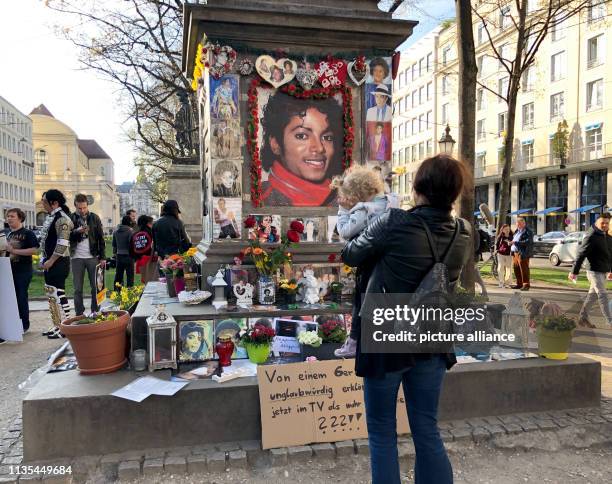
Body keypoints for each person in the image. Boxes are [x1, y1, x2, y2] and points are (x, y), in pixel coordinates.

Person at [341, 154, 471, 484]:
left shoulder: (395, 222)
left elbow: (351, 254)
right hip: (433, 335)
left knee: (382, 431)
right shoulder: (464, 232)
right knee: (427, 427)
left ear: (417, 188)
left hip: (387, 335)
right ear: (455, 193)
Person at [330, 165, 395, 358]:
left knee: (360, 302)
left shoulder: (364, 209)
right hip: (390, 262)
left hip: (369, 263)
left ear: (357, 195)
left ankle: (355, 341)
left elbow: (345, 231)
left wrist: (342, 209)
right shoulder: (391, 203)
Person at [260, 91, 344, 206]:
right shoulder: (261, 200)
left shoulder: (345, 200)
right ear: (276, 144)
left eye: (327, 137)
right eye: (302, 136)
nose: (319, 148)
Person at [39, 189, 74, 339]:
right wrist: (43, 259)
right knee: (52, 294)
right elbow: (45, 241)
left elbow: (62, 244)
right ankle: (57, 324)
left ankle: (65, 326)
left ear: (55, 203)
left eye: (45, 201)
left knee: (59, 293)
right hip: (50, 261)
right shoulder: (53, 217)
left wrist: (51, 260)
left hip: (59, 262)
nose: (43, 204)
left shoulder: (62, 219)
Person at [569, 213, 612, 328]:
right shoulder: (591, 235)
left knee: (592, 296)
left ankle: (582, 318)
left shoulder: (606, 235)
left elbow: (610, 254)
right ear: (597, 222)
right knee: (603, 295)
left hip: (603, 270)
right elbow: (581, 254)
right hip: (593, 271)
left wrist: (610, 270)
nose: (604, 225)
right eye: (602, 222)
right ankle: (610, 321)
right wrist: (574, 271)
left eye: (607, 223)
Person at [69, 194, 106, 316]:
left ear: (87, 205)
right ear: (75, 206)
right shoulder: (70, 218)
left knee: (96, 287)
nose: (82, 210)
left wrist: (103, 257)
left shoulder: (94, 218)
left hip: (93, 256)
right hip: (76, 257)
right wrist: (76, 232)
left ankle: (95, 312)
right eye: (80, 208)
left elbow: (101, 238)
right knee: (77, 289)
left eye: (84, 207)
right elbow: (66, 237)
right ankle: (79, 314)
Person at [5, 208, 39, 333]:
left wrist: (14, 251)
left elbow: (34, 250)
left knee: (21, 297)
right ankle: (14, 323)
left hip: (23, 270)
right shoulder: (8, 234)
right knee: (11, 299)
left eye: (12, 216)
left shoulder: (27, 233)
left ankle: (24, 325)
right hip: (9, 271)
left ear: (20, 218)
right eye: (8, 216)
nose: (9, 218)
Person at [130, 215, 158, 284]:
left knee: (145, 281)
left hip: (140, 261)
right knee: (153, 281)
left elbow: (131, 248)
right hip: (151, 260)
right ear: (147, 223)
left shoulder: (135, 234)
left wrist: (136, 258)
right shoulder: (151, 232)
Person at [511, 217, 534, 291]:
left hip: (523, 253)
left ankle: (526, 285)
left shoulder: (528, 231)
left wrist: (516, 243)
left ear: (524, 223)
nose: (518, 225)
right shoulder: (517, 231)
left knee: (524, 269)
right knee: (516, 268)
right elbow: (514, 239)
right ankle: (519, 284)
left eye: (520, 224)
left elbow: (528, 242)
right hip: (515, 253)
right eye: (517, 224)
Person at [113, 215, 134, 288]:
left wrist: (115, 254)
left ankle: (117, 293)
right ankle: (129, 293)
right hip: (128, 256)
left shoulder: (116, 231)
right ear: (129, 222)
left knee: (118, 276)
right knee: (130, 276)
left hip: (119, 255)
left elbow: (114, 245)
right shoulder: (130, 231)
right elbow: (131, 244)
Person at [495, 224, 514, 288]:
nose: (507, 230)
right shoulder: (500, 236)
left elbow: (515, 245)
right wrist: (497, 250)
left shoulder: (512, 236)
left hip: (509, 254)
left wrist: (511, 243)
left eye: (508, 229)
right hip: (500, 254)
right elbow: (497, 244)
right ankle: (501, 282)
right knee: (500, 268)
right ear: (502, 230)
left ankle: (507, 283)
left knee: (508, 269)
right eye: (505, 229)